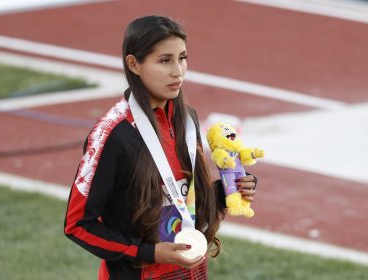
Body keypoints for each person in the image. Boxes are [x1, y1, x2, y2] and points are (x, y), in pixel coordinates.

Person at [64, 15, 258, 280]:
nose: (178, 71)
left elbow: (182, 200)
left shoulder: (187, 120)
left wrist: (228, 191)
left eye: (182, 58)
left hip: (190, 272)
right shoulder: (112, 135)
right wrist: (149, 252)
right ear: (134, 64)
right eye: (165, 60)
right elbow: (77, 225)